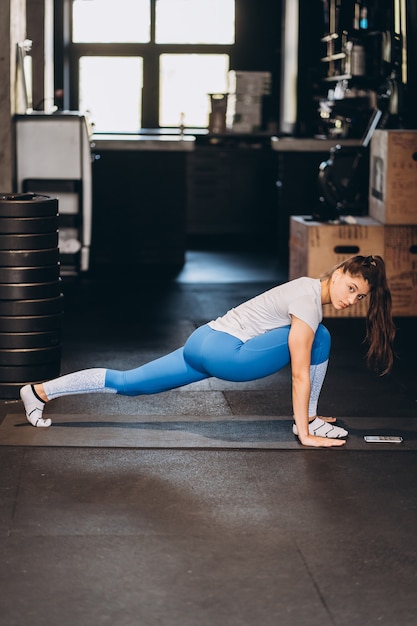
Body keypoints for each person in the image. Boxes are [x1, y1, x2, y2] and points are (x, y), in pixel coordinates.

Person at [20, 255, 395, 448]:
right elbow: (299, 372)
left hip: (202, 340)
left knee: (128, 382)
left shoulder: (303, 287)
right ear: (340, 271)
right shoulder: (309, 302)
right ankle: (307, 421)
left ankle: (40, 391)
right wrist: (304, 431)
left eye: (360, 297)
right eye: (351, 288)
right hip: (225, 354)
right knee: (320, 338)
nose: (352, 299)